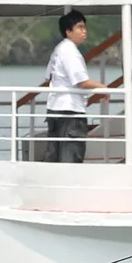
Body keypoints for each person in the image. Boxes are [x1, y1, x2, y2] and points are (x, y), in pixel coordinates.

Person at [43, 9, 106, 164]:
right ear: (68, 31)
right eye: (80, 27)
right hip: (69, 110)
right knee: (70, 156)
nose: (84, 31)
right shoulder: (70, 52)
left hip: (55, 107)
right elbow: (82, 81)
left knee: (54, 155)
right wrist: (103, 87)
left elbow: (48, 76)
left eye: (84, 27)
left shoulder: (59, 49)